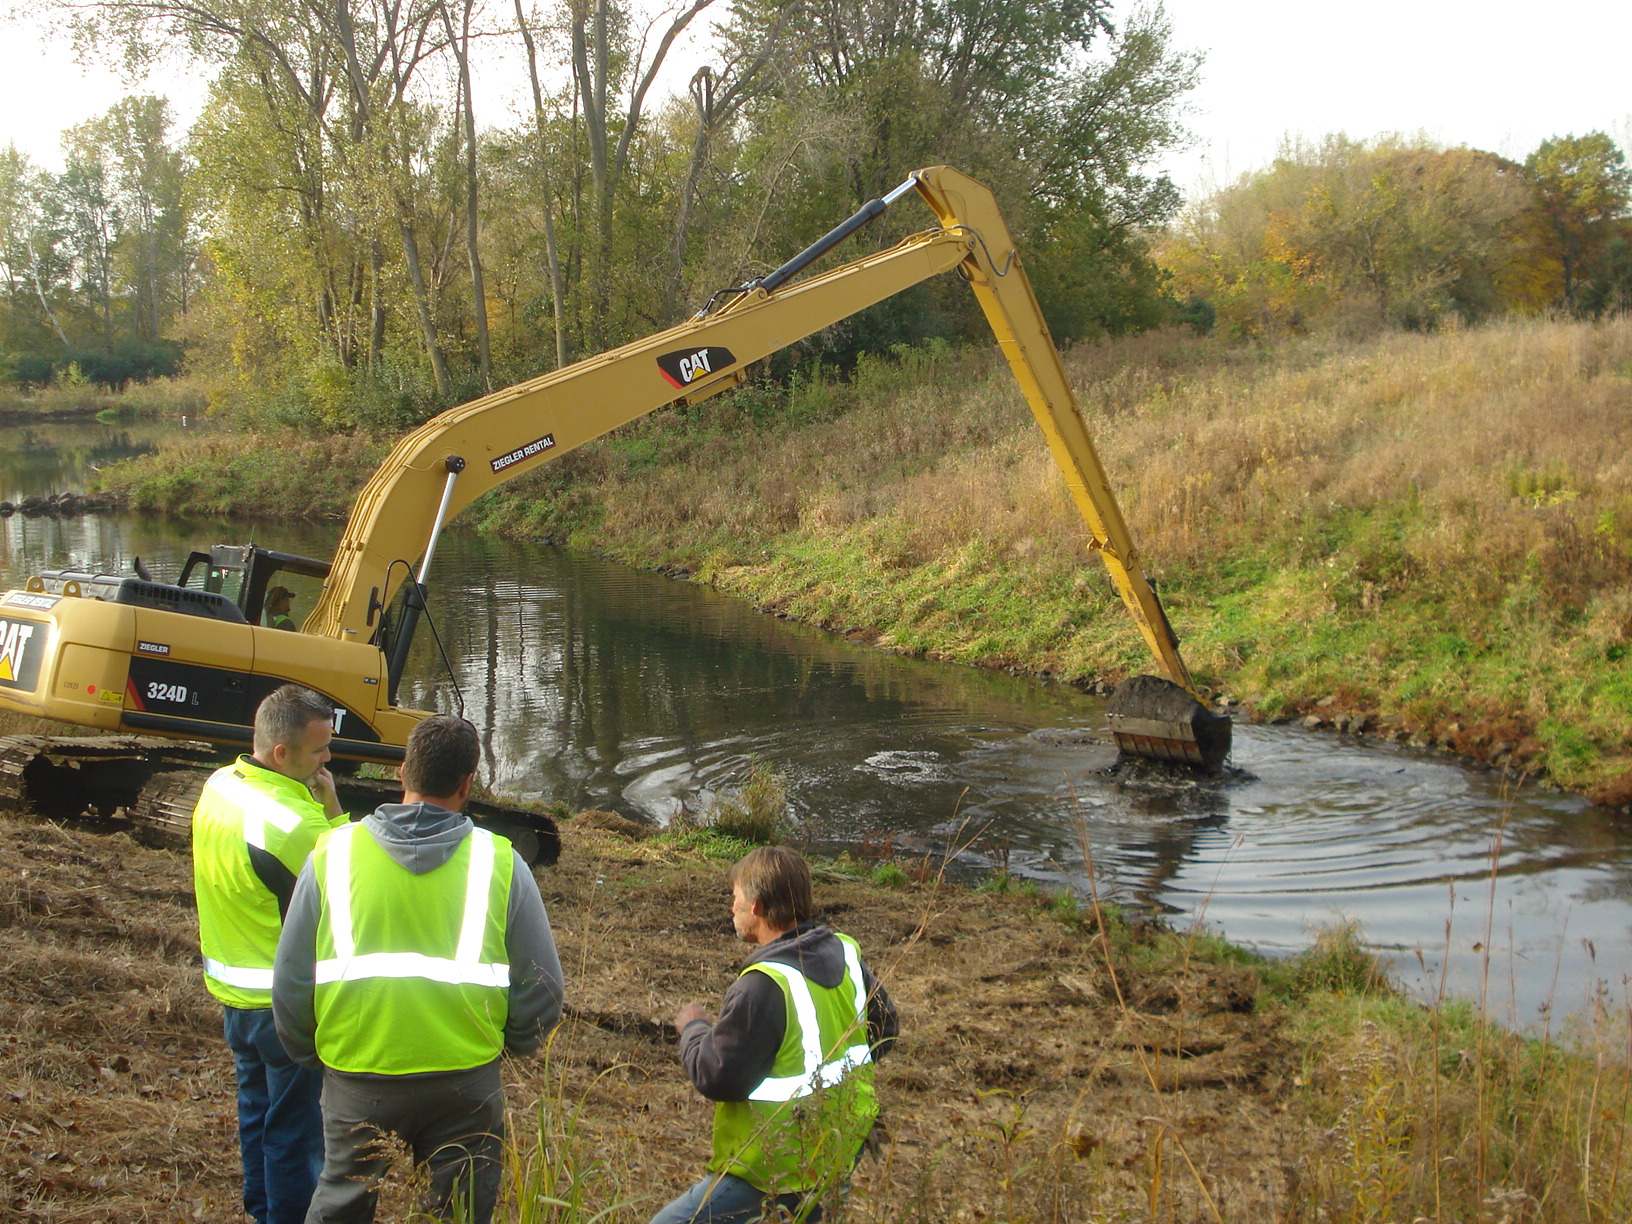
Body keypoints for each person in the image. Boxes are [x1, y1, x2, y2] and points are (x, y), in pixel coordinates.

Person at [273, 714, 564, 1224]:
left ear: (403, 772)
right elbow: (544, 990)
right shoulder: (501, 862)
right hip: (465, 1078)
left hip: (356, 1072)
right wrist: (511, 1045)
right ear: (468, 782)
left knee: (341, 1201)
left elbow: (291, 981)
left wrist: (310, 1053)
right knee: (460, 1210)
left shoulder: (331, 855)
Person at [651, 846, 898, 1224]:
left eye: (735, 898)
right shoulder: (847, 953)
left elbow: (717, 1076)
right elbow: (886, 1031)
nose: (731, 908)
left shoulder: (765, 985)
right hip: (838, 1148)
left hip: (773, 1167)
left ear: (757, 906)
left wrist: (694, 1028)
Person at [193, 684, 348, 1224]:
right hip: (281, 1006)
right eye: (319, 750)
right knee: (294, 1135)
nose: (329, 758)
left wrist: (317, 796)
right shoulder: (293, 824)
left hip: (233, 992)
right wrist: (331, 809)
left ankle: (261, 1213)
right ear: (282, 753)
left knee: (256, 1116)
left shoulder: (220, 785)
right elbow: (349, 881)